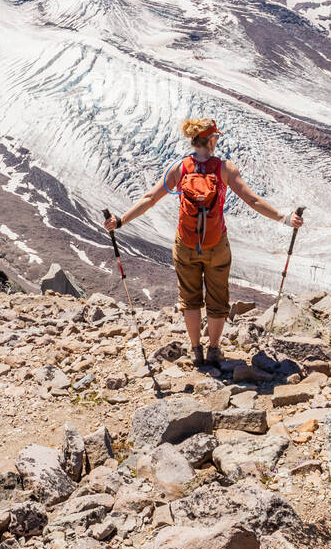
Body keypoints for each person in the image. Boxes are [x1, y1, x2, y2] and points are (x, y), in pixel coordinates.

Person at [103, 117, 304, 368]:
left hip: (185, 244)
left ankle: (196, 350)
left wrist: (120, 221)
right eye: (216, 137)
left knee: (190, 299)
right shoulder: (224, 168)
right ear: (210, 140)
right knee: (218, 298)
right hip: (216, 243)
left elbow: (150, 198)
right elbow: (251, 200)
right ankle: (214, 349)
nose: (217, 141)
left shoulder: (180, 168)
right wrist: (285, 218)